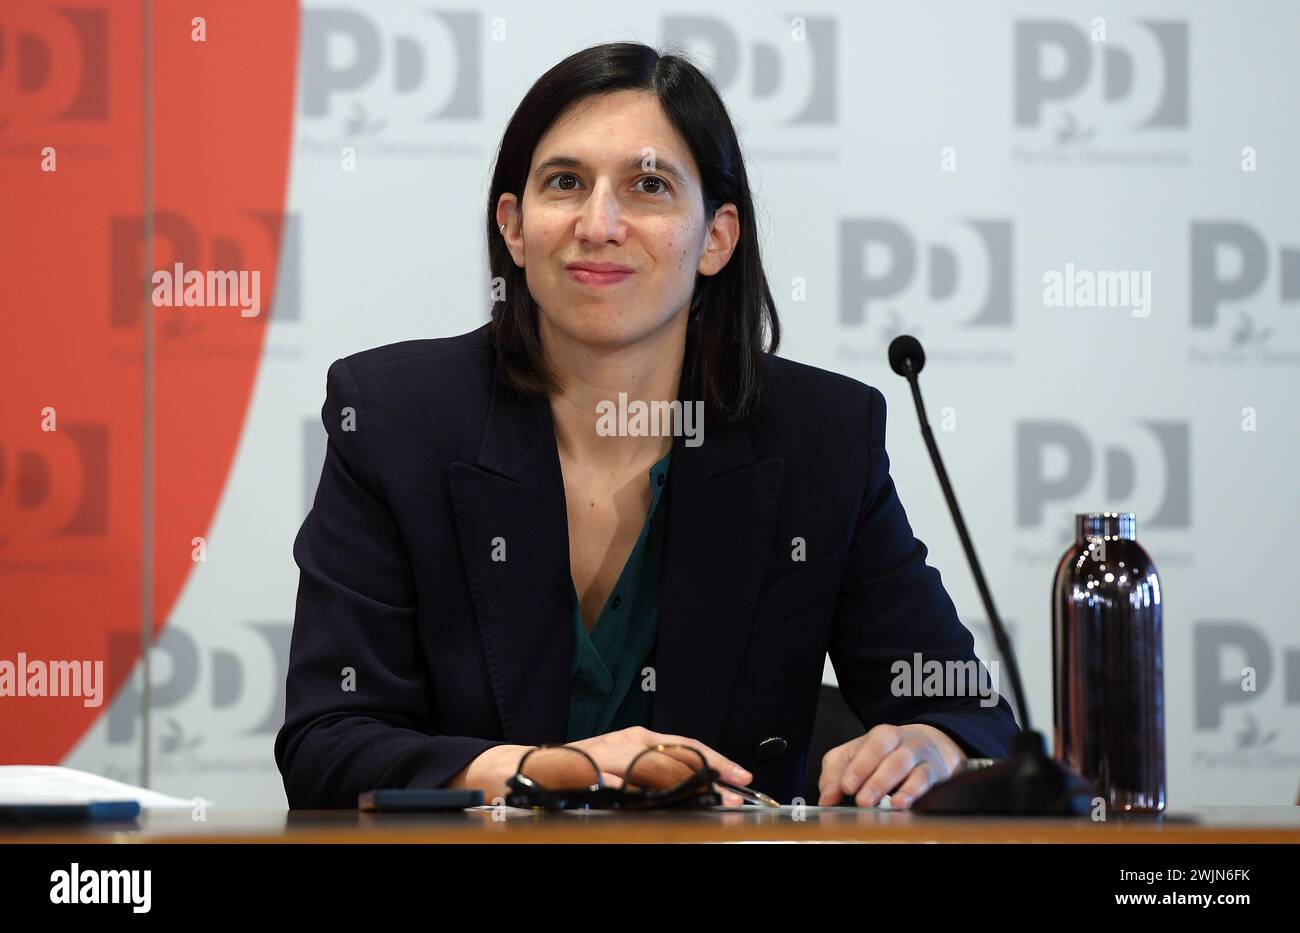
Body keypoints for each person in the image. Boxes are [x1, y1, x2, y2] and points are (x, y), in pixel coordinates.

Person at [274, 41, 1018, 810]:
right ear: (515, 227)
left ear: (717, 238)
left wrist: (934, 742)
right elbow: (327, 741)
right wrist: (541, 769)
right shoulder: (396, 419)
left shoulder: (821, 438)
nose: (599, 224)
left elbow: (966, 708)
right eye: (565, 183)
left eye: (649, 185)